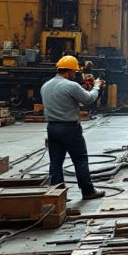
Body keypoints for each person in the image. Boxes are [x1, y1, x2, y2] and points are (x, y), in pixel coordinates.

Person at [40, 55, 106, 200]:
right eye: (74, 72)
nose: (75, 75)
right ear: (69, 71)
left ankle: (57, 194)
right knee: (80, 160)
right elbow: (88, 99)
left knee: (55, 162)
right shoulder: (71, 86)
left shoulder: (46, 86)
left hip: (52, 128)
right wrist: (97, 86)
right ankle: (88, 191)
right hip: (69, 128)